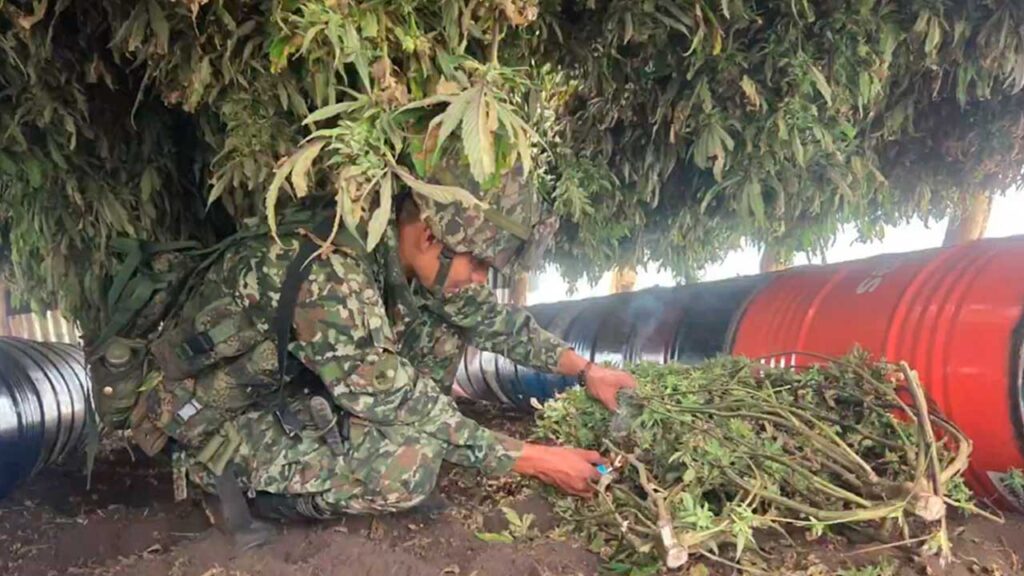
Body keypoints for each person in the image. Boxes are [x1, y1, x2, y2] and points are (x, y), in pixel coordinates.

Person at [120, 151, 636, 535]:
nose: (481, 278)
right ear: (431, 237)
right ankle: (230, 484)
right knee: (408, 465)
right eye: (479, 264)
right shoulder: (331, 274)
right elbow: (395, 394)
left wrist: (588, 371)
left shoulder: (390, 246)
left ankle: (335, 457)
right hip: (206, 419)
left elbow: (494, 321)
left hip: (286, 391)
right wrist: (537, 459)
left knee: (442, 329)